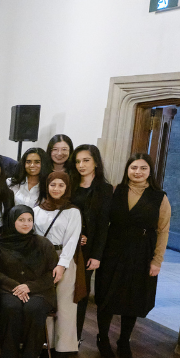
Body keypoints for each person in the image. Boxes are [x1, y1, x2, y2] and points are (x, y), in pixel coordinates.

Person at [95, 154, 170, 358]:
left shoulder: (160, 197)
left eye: (143, 168)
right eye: (134, 167)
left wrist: (157, 260)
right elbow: (101, 222)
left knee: (133, 297)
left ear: (150, 171)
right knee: (106, 294)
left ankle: (124, 340)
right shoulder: (114, 191)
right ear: (127, 169)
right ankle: (102, 337)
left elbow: (163, 230)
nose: (138, 172)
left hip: (142, 251)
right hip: (112, 249)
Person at [0, 205, 58, 358]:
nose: (26, 223)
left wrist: (29, 287)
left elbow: (51, 274)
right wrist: (16, 286)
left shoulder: (43, 244)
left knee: (33, 308)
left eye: (29, 220)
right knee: (11, 308)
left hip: (40, 290)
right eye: (21, 220)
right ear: (11, 221)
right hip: (8, 289)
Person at [34, 171, 83, 358]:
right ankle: (46, 344)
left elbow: (72, 240)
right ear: (47, 186)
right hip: (42, 258)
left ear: (67, 188)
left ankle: (63, 348)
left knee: (64, 303)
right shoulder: (37, 210)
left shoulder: (73, 211)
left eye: (61, 185)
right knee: (45, 301)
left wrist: (62, 265)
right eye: (53, 184)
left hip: (65, 257)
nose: (56, 189)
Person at [69, 144, 113, 342]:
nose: (81, 165)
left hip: (88, 250)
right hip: (68, 245)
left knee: (81, 292)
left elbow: (104, 225)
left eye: (86, 160)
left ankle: (75, 337)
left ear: (96, 162)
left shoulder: (105, 189)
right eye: (78, 161)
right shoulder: (70, 184)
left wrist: (97, 255)